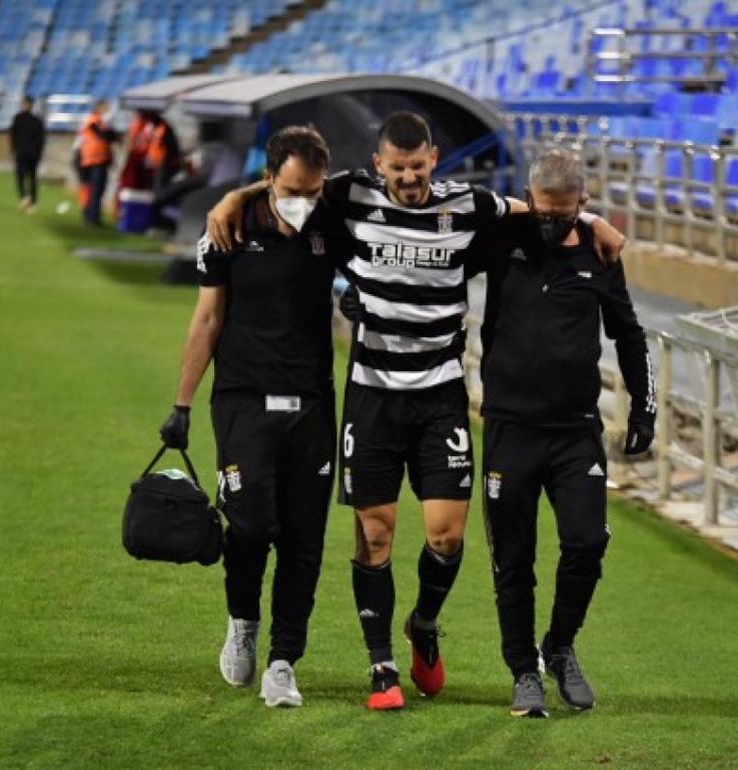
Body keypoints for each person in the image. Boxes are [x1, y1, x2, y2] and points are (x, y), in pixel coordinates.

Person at [207, 111, 627, 711]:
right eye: (397, 167)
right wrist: (233, 198)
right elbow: (290, 185)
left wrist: (591, 219)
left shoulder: (468, 204)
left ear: (434, 159)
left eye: (418, 166)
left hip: (440, 393)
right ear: (379, 164)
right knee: (375, 533)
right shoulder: (351, 194)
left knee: (446, 536)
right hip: (373, 394)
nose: (408, 177)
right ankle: (381, 666)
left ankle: (424, 622)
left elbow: (537, 209)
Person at [159, 126, 349, 708]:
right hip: (243, 400)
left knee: (303, 539)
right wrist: (182, 403)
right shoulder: (229, 230)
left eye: (313, 191)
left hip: (311, 405)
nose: (304, 202)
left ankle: (284, 661)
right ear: (268, 179)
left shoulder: (332, 220)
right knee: (249, 528)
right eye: (293, 190)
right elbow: (207, 320)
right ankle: (242, 621)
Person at [468, 148, 655, 718]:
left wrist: (644, 409)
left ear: (583, 203)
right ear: (529, 199)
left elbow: (628, 334)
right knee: (513, 559)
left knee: (587, 542)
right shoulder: (504, 238)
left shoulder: (599, 253)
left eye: (566, 213)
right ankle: (523, 671)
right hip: (510, 428)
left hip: (575, 430)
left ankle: (560, 645)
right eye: (544, 212)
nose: (552, 223)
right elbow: (438, 241)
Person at [78, 100, 117, 226]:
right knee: (94, 189)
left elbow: (111, 136)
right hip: (93, 160)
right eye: (105, 108)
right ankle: (92, 217)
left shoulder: (100, 122)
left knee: (96, 190)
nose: (107, 111)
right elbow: (106, 135)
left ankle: (91, 215)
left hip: (96, 160)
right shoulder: (93, 120)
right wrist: (111, 132)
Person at [8, 96, 45, 213]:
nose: (24, 106)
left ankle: (32, 202)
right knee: (20, 177)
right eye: (23, 103)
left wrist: (39, 153)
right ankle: (24, 198)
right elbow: (13, 137)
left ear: (31, 105)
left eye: (26, 103)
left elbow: (41, 139)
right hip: (21, 153)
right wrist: (13, 151)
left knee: (32, 178)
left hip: (32, 154)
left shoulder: (36, 120)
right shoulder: (17, 119)